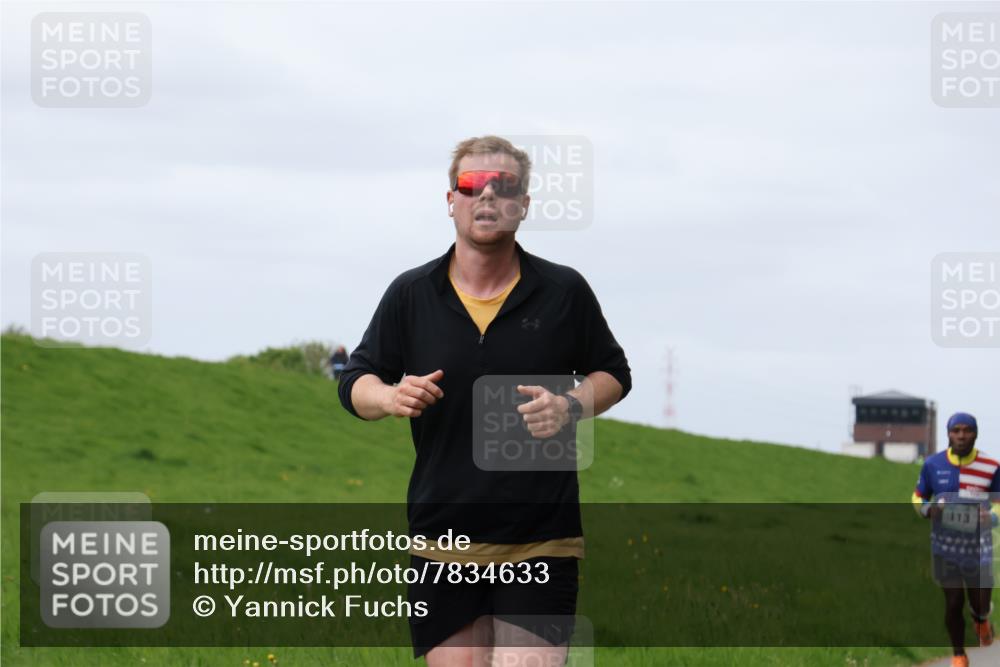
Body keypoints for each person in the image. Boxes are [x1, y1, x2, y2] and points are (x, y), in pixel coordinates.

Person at [337, 135, 631, 666]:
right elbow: (356, 381)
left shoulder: (563, 291)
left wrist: (569, 406)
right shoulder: (411, 293)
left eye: (505, 185)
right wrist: (391, 396)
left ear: (524, 204)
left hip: (541, 541)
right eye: (472, 184)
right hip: (441, 541)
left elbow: (613, 374)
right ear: (451, 200)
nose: (488, 195)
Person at [912, 412, 1000, 667]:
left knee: (979, 603)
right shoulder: (933, 464)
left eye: (967, 430)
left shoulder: (991, 467)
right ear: (948, 434)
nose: (961, 436)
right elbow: (918, 496)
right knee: (953, 602)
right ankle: (959, 654)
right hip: (945, 548)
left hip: (979, 547)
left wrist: (992, 517)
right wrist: (927, 510)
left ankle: (981, 619)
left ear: (975, 434)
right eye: (956, 431)